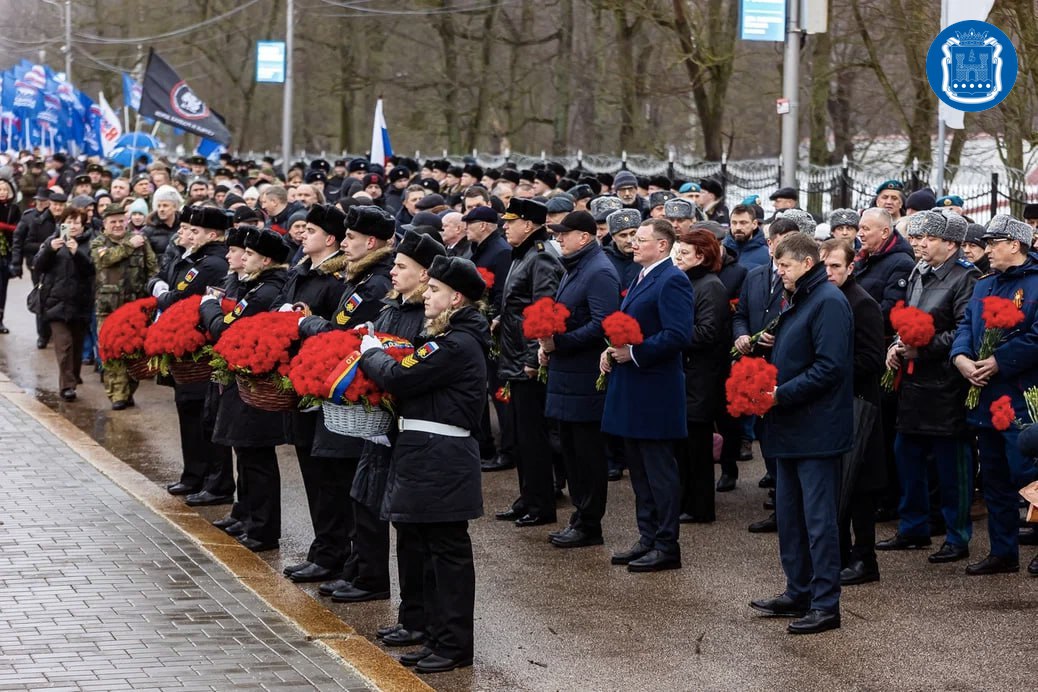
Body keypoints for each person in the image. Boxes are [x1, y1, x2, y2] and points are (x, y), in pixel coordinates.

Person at [358, 255, 489, 675]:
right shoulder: (448, 338)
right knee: (429, 551)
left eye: (434, 290)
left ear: (456, 298)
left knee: (446, 554)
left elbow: (399, 376)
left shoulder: (454, 343)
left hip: (441, 455)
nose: (426, 295)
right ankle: (436, 636)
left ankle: (453, 645)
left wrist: (371, 353)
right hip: (427, 451)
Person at [339, 231, 445, 634]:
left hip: (406, 431)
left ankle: (415, 616)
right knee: (368, 502)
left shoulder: (426, 318)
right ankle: (375, 582)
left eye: (401, 266)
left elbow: (406, 371)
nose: (393, 272)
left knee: (410, 529)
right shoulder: (391, 306)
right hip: (380, 428)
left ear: (425, 275)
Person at [750, 232, 853, 635]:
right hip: (791, 426)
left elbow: (830, 367)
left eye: (785, 264)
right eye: (777, 264)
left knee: (819, 521)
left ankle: (825, 604)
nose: (778, 271)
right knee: (791, 517)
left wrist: (780, 394)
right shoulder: (799, 298)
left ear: (808, 263)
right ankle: (799, 590)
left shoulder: (828, 301)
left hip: (816, 429)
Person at [298, 205, 395, 598]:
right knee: (340, 483)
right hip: (344, 396)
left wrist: (308, 323)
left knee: (354, 487)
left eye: (351, 238)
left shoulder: (373, 283)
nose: (345, 243)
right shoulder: (360, 276)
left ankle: (360, 570)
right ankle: (348, 564)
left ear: (370, 242)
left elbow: (344, 334)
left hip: (356, 399)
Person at [877, 211, 978, 564]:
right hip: (914, 384)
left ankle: (957, 536)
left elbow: (965, 331)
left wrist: (923, 348)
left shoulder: (966, 277)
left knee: (951, 468)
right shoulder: (918, 271)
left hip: (946, 386)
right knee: (907, 457)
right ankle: (913, 527)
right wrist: (896, 345)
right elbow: (906, 317)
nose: (919, 244)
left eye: (928, 238)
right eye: (917, 237)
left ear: (950, 244)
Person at [600, 218, 694, 572]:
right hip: (634, 387)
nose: (633, 244)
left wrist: (634, 353)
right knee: (639, 471)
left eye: (641, 240)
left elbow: (678, 334)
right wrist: (612, 350)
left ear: (662, 245)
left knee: (659, 472)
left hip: (655, 389)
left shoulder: (672, 279)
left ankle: (667, 545)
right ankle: (648, 536)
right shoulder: (641, 275)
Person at [952, 215, 1038, 575]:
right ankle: (1003, 552)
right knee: (995, 478)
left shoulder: (1035, 284)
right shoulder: (984, 284)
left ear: (1015, 245)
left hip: (1020, 396)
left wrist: (999, 361)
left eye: (992, 243)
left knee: (1028, 475)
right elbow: (966, 325)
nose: (986, 250)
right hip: (985, 396)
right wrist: (960, 357)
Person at [199, 227, 291, 552]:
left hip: (257, 383)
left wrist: (208, 306)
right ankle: (248, 516)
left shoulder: (264, 291)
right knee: (246, 454)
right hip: (245, 381)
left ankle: (263, 529)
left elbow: (224, 329)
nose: (240, 257)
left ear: (266, 260)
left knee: (257, 457)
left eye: (249, 254)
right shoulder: (253, 285)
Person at [538, 211, 619, 548]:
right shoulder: (577, 267)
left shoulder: (599, 271)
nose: (558, 238)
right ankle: (580, 517)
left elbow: (602, 324)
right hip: (568, 375)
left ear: (584, 237)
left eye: (564, 233)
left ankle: (589, 523)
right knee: (571, 452)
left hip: (584, 378)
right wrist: (546, 343)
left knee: (586, 455)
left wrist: (560, 343)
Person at [150, 206, 232, 497]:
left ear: (212, 235)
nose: (187, 234)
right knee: (190, 413)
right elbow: (158, 276)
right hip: (185, 348)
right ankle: (194, 474)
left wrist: (161, 292)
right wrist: (159, 287)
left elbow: (176, 297)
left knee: (203, 416)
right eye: (186, 229)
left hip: (199, 349)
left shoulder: (210, 264)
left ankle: (215, 481)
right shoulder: (188, 256)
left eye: (194, 231)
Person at [817, 239, 886, 586]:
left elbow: (871, 359)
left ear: (850, 268)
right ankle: (841, 554)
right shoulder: (823, 298)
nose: (829, 273)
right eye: (824, 266)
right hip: (832, 405)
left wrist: (828, 372)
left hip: (859, 404)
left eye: (836, 267)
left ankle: (864, 558)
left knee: (860, 486)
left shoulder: (862, 304)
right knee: (837, 484)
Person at [493, 198, 564, 528]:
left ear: (529, 224)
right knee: (522, 437)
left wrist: (533, 360)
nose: (505, 227)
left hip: (527, 360)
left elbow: (542, 313)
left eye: (511, 222)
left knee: (533, 437)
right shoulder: (522, 254)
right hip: (514, 354)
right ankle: (527, 496)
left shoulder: (541, 256)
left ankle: (541, 503)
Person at [673, 229, 730, 523]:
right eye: (678, 252)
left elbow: (707, 333)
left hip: (701, 378)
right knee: (685, 447)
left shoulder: (710, 287)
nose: (678, 258)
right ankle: (687, 502)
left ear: (702, 256)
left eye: (685, 253)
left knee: (697, 446)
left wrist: (671, 334)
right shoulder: (689, 281)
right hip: (688, 376)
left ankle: (700, 507)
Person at [89, 203, 158, 409]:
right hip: (107, 309)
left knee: (134, 351)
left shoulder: (141, 241)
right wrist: (129, 246)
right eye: (113, 222)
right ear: (105, 224)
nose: (118, 225)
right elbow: (105, 260)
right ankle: (117, 394)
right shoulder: (99, 242)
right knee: (111, 352)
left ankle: (128, 390)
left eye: (121, 221)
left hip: (135, 309)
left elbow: (152, 268)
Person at [33, 207, 95, 401]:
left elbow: (92, 270)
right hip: (56, 303)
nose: (73, 226)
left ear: (83, 225)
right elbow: (38, 265)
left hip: (80, 303)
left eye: (77, 222)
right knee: (64, 344)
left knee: (76, 345)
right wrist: (50, 250)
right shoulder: (52, 241)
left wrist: (77, 253)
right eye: (69, 222)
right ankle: (67, 386)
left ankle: (73, 375)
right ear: (62, 224)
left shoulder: (90, 243)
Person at [17, 189, 66, 348]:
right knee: (42, 298)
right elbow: (27, 244)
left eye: (61, 205)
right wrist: (47, 246)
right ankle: (43, 335)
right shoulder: (38, 221)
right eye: (55, 205)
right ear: (50, 204)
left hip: (63, 266)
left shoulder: (68, 222)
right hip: (41, 266)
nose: (58, 208)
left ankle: (55, 333)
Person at [143, 185, 183, 274]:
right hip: (159, 275)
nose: (161, 209)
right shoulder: (148, 231)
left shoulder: (183, 227)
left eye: (165, 205)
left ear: (175, 207)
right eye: (159, 206)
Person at [0, 177, 22, 333]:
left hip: (6, 252)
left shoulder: (14, 209)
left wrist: (4, 227)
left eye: (5, 189)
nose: (2, 192)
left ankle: (0, 319)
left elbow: (19, 229)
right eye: (0, 189)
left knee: (2, 288)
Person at [724, 204, 769, 269]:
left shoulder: (767, 254)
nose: (738, 227)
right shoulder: (720, 251)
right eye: (734, 223)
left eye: (743, 223)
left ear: (754, 224)